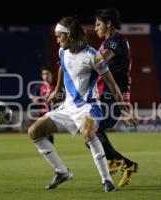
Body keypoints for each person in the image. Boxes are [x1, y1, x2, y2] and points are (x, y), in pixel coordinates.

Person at [28, 16, 137, 192]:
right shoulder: (62, 52)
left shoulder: (93, 56)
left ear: (70, 35)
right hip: (68, 108)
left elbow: (111, 83)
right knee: (34, 131)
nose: (56, 40)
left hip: (89, 106)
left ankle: (106, 180)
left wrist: (124, 110)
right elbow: (62, 66)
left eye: (59, 36)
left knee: (88, 133)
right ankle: (62, 172)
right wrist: (57, 89)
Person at [93, 8, 138, 187]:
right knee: (89, 131)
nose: (95, 28)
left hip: (113, 97)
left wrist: (124, 109)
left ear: (108, 23)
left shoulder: (116, 41)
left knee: (92, 131)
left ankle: (118, 161)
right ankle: (125, 164)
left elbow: (99, 62)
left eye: (98, 24)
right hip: (104, 96)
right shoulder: (107, 42)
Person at [30, 66, 55, 143]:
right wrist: (38, 99)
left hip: (54, 113)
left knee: (45, 132)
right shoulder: (38, 87)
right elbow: (33, 99)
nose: (45, 76)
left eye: (47, 74)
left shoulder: (56, 86)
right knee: (42, 133)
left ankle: (49, 151)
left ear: (52, 75)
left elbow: (63, 98)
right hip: (42, 113)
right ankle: (49, 150)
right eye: (44, 74)